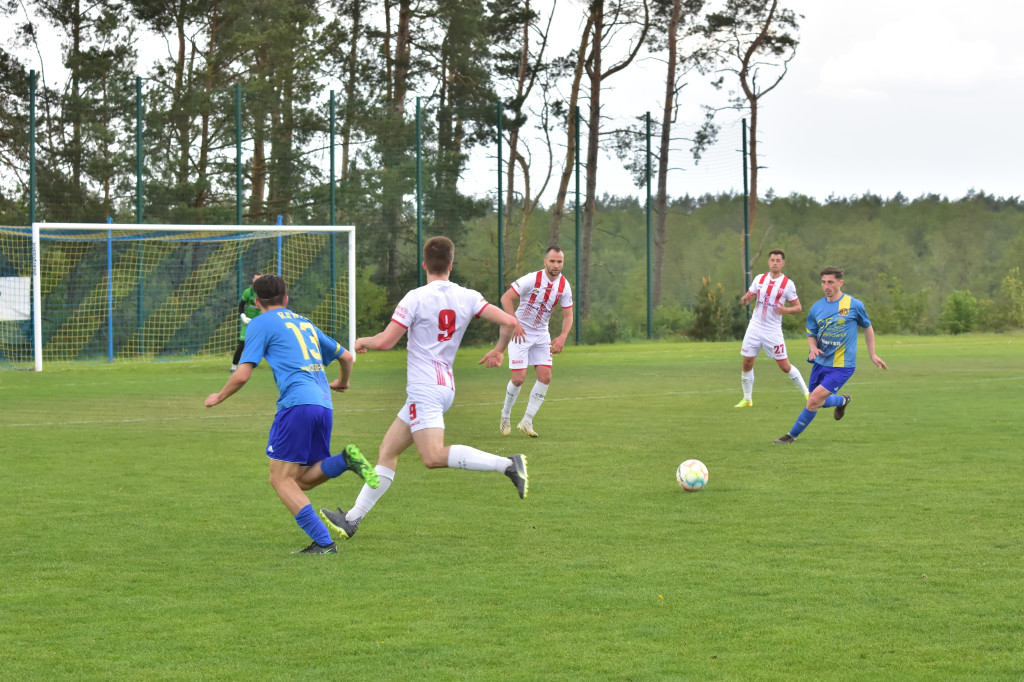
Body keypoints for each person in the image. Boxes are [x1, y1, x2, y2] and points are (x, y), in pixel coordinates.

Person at [319, 236, 527, 541]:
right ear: (451, 265)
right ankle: (352, 519)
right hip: (444, 386)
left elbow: (387, 341)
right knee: (388, 451)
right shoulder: (468, 296)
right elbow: (509, 320)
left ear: (424, 264)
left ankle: (507, 464)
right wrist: (499, 350)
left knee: (431, 456)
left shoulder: (415, 297)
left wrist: (365, 341)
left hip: (424, 388)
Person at [205, 274, 380, 554]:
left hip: (297, 405)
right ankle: (346, 459)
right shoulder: (304, 322)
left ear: (258, 302)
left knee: (280, 479)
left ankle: (324, 543)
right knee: (301, 480)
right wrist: (344, 382)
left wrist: (219, 396)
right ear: (286, 299)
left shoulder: (260, 323)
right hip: (323, 405)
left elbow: (242, 374)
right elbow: (346, 357)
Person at [773, 266, 888, 444]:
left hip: (843, 365)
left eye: (831, 282)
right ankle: (842, 401)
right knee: (816, 401)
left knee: (812, 400)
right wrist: (812, 348)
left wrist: (873, 354)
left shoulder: (854, 305)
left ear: (840, 283)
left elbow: (867, 327)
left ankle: (791, 436)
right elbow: (811, 333)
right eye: (823, 282)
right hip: (820, 362)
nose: (826, 286)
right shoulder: (816, 308)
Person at [495, 246, 574, 438]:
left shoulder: (564, 285)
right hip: (520, 333)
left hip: (541, 335)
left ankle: (527, 420)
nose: (556, 265)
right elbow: (506, 298)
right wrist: (514, 324)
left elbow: (568, 314)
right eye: (553, 261)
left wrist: (563, 336)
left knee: (546, 377)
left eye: (559, 262)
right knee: (518, 378)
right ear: (545, 261)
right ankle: (505, 415)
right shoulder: (532, 279)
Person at [735, 249, 809, 407]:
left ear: (783, 263)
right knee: (747, 362)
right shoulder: (759, 279)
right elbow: (745, 301)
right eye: (772, 260)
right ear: (768, 262)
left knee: (784, 366)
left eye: (778, 260)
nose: (774, 263)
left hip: (772, 330)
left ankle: (806, 392)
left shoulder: (788, 284)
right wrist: (745, 300)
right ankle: (747, 399)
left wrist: (786, 310)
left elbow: (798, 307)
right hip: (755, 327)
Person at [231, 273, 262, 372]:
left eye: (259, 279)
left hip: (261, 322)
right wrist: (243, 316)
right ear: (253, 280)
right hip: (248, 322)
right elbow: (241, 306)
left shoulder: (265, 293)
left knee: (269, 344)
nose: (257, 281)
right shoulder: (248, 292)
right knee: (242, 344)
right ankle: (233, 366)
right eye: (256, 279)